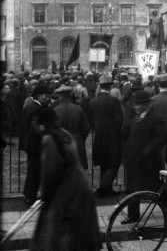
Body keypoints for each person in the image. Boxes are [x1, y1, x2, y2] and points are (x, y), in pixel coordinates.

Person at [31, 108, 100, 250]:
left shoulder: (48, 139)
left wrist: (46, 196)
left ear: (42, 124)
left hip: (67, 190)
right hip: (80, 184)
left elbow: (51, 171)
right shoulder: (65, 134)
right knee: (77, 232)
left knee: (59, 233)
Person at [123, 90, 167, 221]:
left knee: (158, 190)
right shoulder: (135, 118)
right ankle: (133, 216)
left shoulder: (155, 118)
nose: (136, 107)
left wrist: (149, 148)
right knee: (132, 190)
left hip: (150, 162)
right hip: (134, 161)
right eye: (135, 104)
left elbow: (164, 136)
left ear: (146, 105)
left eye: (139, 105)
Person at [89, 74, 124, 197]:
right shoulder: (113, 101)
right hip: (113, 136)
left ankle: (107, 189)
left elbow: (91, 120)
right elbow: (120, 119)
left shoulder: (93, 101)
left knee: (104, 162)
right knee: (114, 161)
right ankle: (104, 186)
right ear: (110, 87)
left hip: (99, 136)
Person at [19, 84, 51, 206]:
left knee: (32, 170)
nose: (48, 98)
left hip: (30, 144)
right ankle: (30, 197)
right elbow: (36, 129)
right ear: (38, 96)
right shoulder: (38, 109)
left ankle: (28, 194)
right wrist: (46, 132)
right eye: (45, 96)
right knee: (35, 171)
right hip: (35, 145)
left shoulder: (30, 106)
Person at [52, 85, 90, 170]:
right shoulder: (78, 108)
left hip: (61, 141)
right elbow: (86, 127)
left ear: (59, 96)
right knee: (78, 169)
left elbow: (52, 129)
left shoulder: (55, 110)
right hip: (76, 139)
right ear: (70, 95)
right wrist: (80, 137)